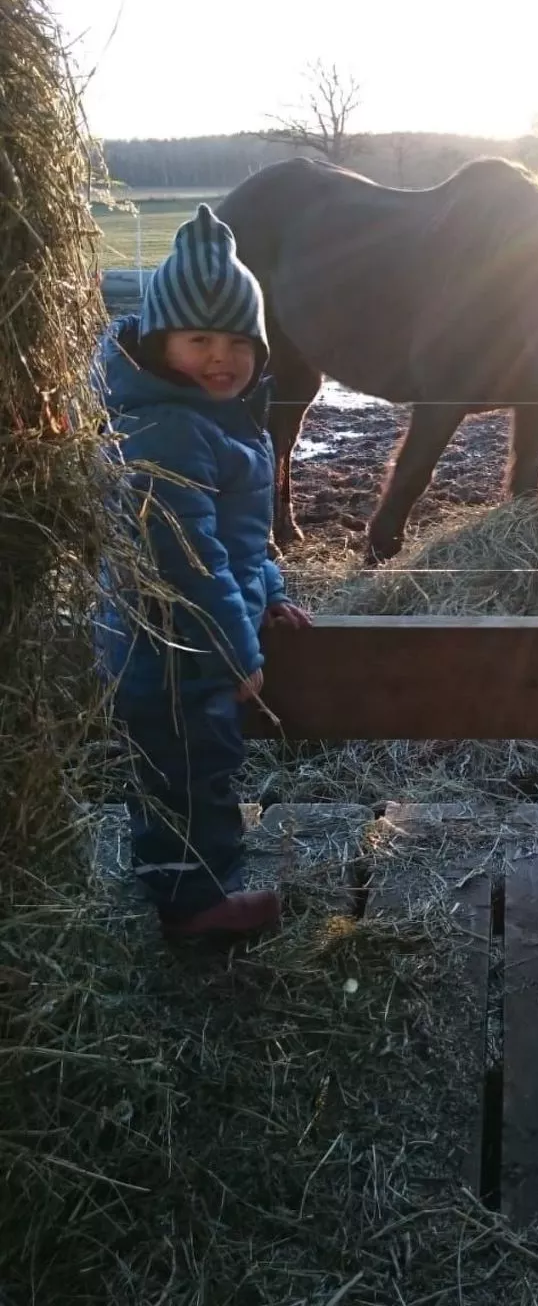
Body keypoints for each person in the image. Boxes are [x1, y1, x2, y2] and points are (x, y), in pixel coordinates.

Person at [97, 203, 312, 942]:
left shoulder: (210, 416)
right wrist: (236, 651)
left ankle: (183, 883)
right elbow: (184, 559)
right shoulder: (168, 429)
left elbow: (239, 541)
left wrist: (271, 594)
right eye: (198, 340)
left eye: (236, 341)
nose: (221, 358)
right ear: (160, 344)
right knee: (187, 773)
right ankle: (194, 907)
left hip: (188, 643)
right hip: (171, 649)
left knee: (190, 767)